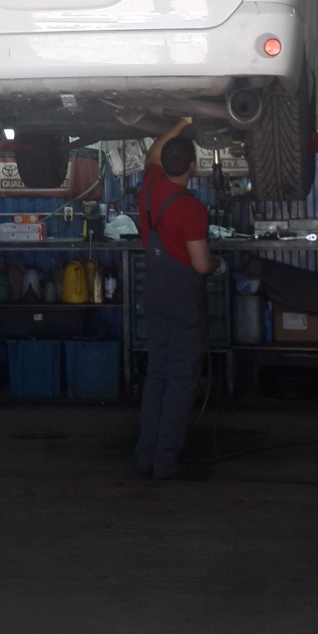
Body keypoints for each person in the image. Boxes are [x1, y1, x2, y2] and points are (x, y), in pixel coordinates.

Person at [135, 117, 213, 480]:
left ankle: (145, 456)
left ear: (164, 164)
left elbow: (152, 152)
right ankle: (165, 462)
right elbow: (201, 265)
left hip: (154, 296)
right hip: (182, 303)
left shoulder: (150, 188)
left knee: (157, 377)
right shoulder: (191, 209)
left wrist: (180, 124)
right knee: (181, 381)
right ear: (192, 167)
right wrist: (217, 263)